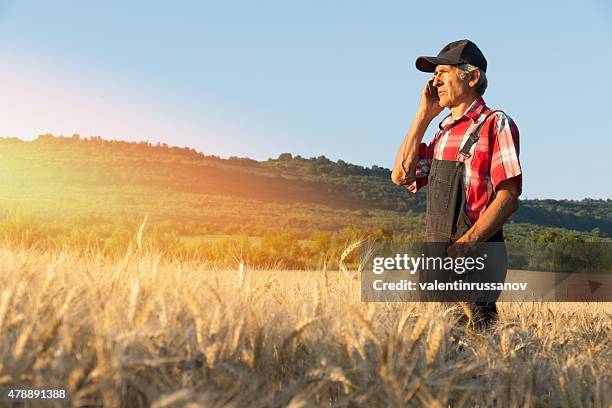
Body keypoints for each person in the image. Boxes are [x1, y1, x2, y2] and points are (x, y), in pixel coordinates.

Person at [391, 39, 522, 329]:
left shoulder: (494, 124)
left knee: (477, 345)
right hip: (436, 259)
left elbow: (508, 197)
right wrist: (423, 116)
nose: (434, 81)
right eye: (433, 75)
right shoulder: (442, 135)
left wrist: (467, 244)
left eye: (442, 72)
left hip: (473, 256)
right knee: (439, 353)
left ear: (472, 77)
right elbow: (401, 175)